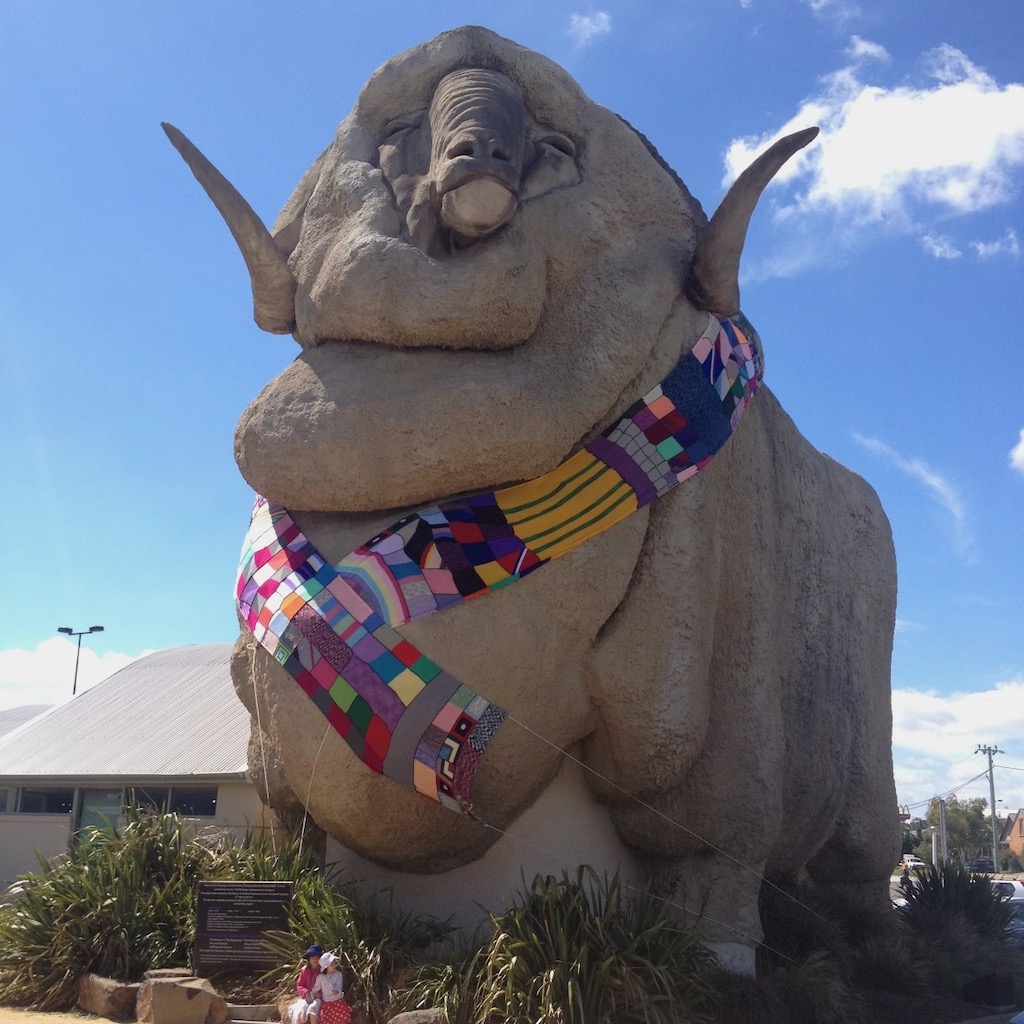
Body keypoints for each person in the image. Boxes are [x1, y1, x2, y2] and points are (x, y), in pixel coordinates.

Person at [309, 951, 351, 1024]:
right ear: (326, 966)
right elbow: (316, 987)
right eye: (332, 964)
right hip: (327, 1004)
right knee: (326, 1020)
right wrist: (313, 993)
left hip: (338, 1001)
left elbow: (339, 985)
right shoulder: (320, 977)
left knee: (343, 1018)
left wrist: (337, 991)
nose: (334, 965)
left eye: (334, 963)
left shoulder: (338, 974)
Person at [287, 945, 323, 1024]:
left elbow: (326, 985)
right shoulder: (304, 970)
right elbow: (300, 985)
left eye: (318, 957)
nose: (315, 959)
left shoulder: (323, 971)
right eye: (313, 957)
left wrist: (320, 994)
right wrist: (306, 993)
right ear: (309, 959)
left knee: (312, 1011)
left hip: (318, 998)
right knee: (300, 1010)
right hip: (306, 997)